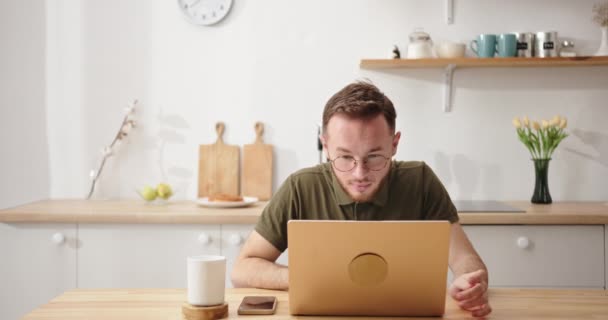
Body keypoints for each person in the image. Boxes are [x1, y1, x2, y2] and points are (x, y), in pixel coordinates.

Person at [231, 81, 492, 318]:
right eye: (345, 157)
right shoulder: (300, 186)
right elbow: (243, 269)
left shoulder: (421, 181)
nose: (360, 173)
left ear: (395, 144)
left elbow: (464, 260)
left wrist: (470, 283)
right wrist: (303, 278)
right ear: (325, 145)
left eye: (374, 157)